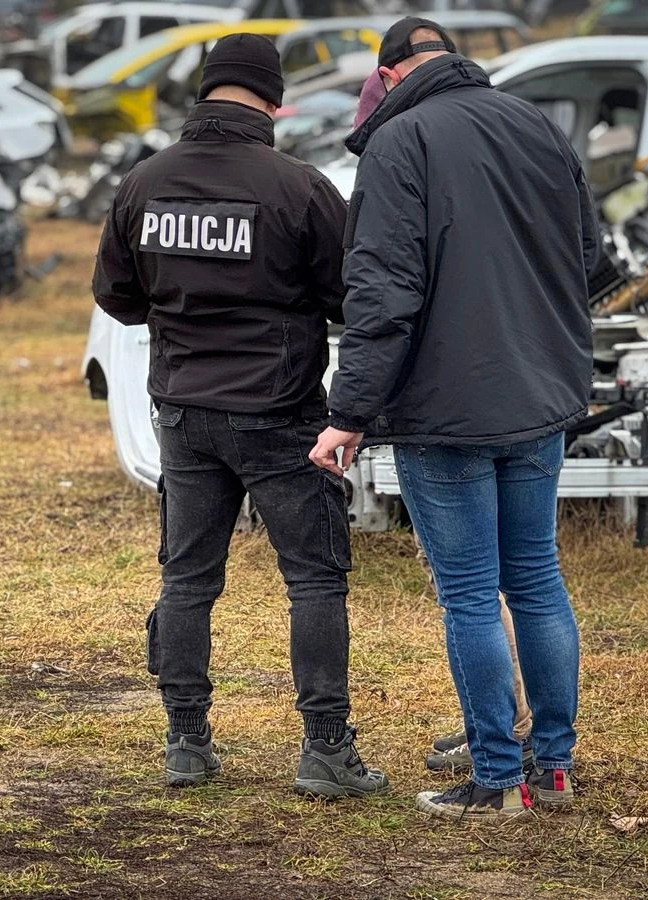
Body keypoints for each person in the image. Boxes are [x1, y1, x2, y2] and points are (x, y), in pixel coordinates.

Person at [310, 18, 599, 822]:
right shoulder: (534, 123)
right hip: (539, 397)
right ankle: (555, 768)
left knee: (470, 595)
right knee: (537, 581)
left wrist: (349, 413)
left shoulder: (400, 143)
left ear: (391, 76)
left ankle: (498, 779)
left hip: (444, 410)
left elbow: (381, 295)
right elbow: (592, 260)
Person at [92, 34, 388, 800]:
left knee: (187, 578)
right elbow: (345, 295)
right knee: (314, 580)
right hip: (281, 412)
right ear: (274, 98)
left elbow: (116, 297)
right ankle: (325, 750)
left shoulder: (143, 183)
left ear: (204, 92)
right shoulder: (300, 186)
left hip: (184, 411)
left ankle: (185, 742)